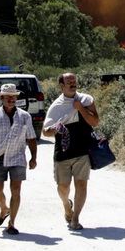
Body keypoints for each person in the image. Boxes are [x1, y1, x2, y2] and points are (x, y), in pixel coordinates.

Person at [42, 73, 100, 231]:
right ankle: (67, 205)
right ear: (61, 85)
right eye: (69, 82)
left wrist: (80, 108)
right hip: (63, 153)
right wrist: (55, 129)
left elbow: (94, 121)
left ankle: (75, 218)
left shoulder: (86, 100)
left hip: (82, 151)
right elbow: (45, 131)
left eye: (74, 81)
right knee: (63, 187)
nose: (73, 84)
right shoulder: (56, 106)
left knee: (81, 184)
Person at [0, 83, 37, 235]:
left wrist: (33, 158)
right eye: (7, 97)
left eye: (13, 96)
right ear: (1, 98)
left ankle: (12, 223)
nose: (11, 99)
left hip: (17, 158)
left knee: (15, 190)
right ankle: (4, 209)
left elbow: (31, 138)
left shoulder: (24, 116)